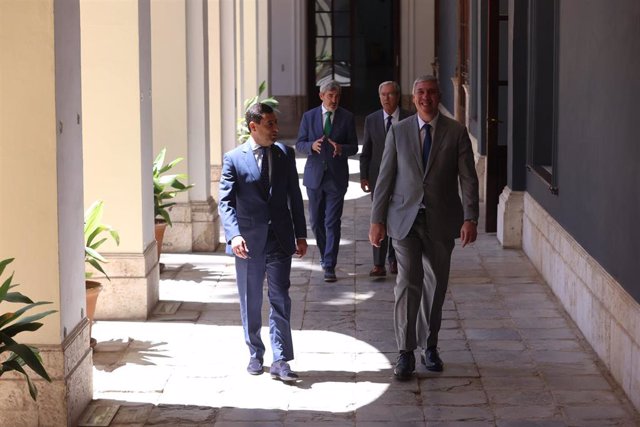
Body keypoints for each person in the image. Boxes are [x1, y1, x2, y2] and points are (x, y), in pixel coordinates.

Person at [369, 75, 479, 380]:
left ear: (438, 96)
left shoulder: (456, 132)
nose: (425, 97)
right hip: (404, 219)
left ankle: (430, 346)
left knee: (435, 285)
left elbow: (468, 179)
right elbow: (385, 177)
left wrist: (471, 217)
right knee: (408, 282)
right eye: (420, 93)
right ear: (413, 98)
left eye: (431, 92)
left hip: (441, 220)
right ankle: (405, 352)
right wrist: (377, 220)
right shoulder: (399, 131)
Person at [219, 103, 308, 382]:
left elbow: (294, 195)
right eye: (269, 124)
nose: (276, 129)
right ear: (253, 127)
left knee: (281, 298)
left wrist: (301, 234)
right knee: (251, 299)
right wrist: (234, 235)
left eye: (275, 123)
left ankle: (280, 359)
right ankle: (255, 353)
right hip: (248, 242)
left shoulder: (284, 154)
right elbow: (225, 202)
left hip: (280, 239)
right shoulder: (233, 158)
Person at [295, 80, 358, 282]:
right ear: (321, 96)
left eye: (337, 96)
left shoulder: (347, 117)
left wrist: (341, 149)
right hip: (314, 177)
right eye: (330, 96)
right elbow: (299, 144)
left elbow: (354, 147)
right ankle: (324, 255)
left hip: (336, 178)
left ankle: (329, 264)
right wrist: (311, 146)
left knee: (332, 222)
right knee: (315, 222)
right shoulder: (309, 116)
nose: (334, 100)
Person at [360, 81, 412, 277]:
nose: (386, 98)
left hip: (403, 177)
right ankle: (378, 263)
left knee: (398, 217)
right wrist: (364, 176)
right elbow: (366, 151)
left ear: (398, 96)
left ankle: (395, 259)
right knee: (378, 216)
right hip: (378, 178)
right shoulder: (372, 119)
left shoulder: (410, 118)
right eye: (383, 95)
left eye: (390, 94)